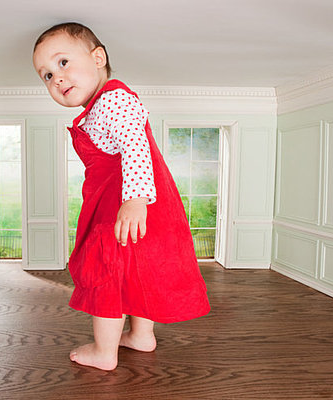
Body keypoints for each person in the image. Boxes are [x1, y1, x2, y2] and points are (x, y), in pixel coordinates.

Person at [32, 22, 210, 371]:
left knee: (106, 273)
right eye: (47, 75)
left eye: (63, 63)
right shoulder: (99, 106)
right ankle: (141, 336)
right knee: (136, 272)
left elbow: (135, 145)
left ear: (98, 58)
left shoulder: (113, 98)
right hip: (136, 204)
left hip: (125, 204)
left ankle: (104, 351)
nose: (57, 78)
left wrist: (135, 199)